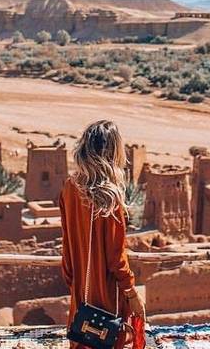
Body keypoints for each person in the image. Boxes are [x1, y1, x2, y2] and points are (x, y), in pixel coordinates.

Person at [59, 120, 145, 348]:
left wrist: (74, 283)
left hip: (81, 290)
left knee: (83, 338)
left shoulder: (69, 188)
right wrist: (131, 293)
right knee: (109, 339)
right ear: (112, 151)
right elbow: (116, 257)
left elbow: (67, 244)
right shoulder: (109, 198)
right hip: (108, 293)